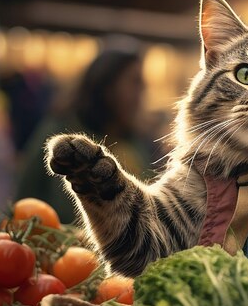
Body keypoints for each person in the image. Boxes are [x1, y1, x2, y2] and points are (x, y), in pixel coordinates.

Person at [16, 47, 156, 223]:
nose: (142, 91)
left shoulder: (137, 143)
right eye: (135, 82)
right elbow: (24, 196)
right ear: (107, 86)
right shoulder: (60, 133)